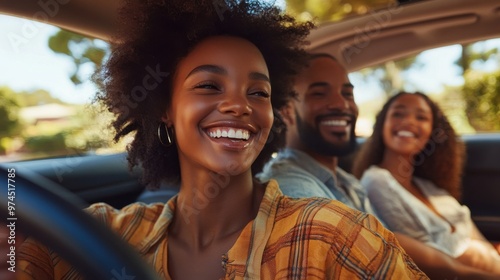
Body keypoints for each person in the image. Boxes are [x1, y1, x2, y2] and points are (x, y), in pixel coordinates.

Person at [16, 1, 427, 279]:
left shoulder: (331, 232)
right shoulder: (105, 230)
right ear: (164, 107)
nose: (239, 105)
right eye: (210, 86)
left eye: (258, 92)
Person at [352, 91, 500, 279]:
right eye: (398, 113)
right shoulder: (377, 180)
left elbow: (475, 238)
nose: (409, 121)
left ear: (431, 132)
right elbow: (426, 258)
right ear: (382, 125)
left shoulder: (429, 187)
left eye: (421, 117)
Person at [258, 53, 377, 217]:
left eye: (347, 94)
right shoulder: (290, 187)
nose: (341, 104)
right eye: (319, 94)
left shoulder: (345, 180)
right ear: (287, 111)